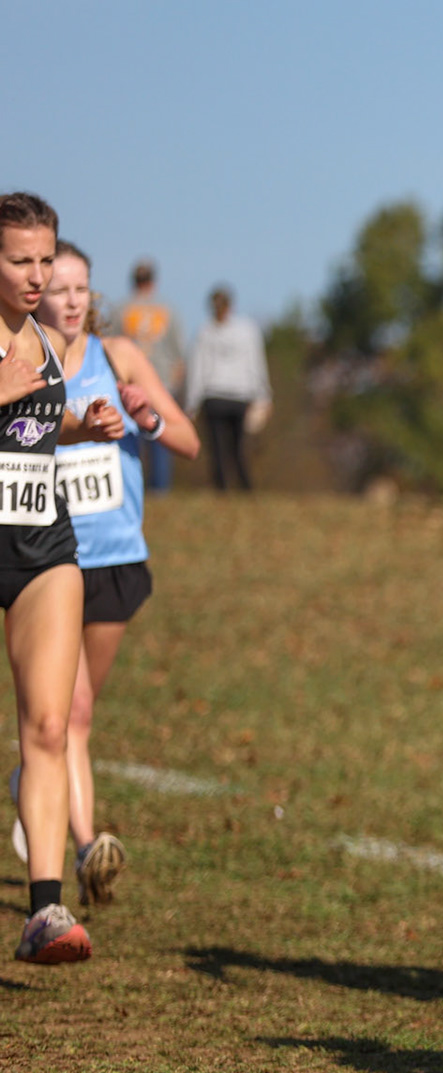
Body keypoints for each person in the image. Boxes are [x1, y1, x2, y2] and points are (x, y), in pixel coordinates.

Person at [27, 241, 200, 903]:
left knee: (78, 716)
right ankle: (85, 849)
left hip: (117, 558)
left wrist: (144, 416)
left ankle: (34, 784)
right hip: (49, 556)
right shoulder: (21, 363)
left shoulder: (119, 356)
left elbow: (187, 440)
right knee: (66, 714)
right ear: (34, 292)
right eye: (57, 288)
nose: (70, 300)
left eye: (80, 289)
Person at [0, 192, 128, 964]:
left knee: (49, 725)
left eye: (46, 260)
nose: (37, 275)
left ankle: (44, 910)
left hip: (44, 541)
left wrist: (89, 422)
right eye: (20, 260)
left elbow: (35, 424)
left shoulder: (44, 339)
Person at [184, 285, 270, 492]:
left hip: (217, 397)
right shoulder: (246, 330)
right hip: (237, 396)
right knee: (237, 445)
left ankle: (224, 487)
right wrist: (263, 393)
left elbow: (198, 369)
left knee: (219, 447)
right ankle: (242, 487)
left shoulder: (205, 332)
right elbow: (256, 363)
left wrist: (191, 403)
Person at [112, 259, 184, 493]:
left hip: (129, 383)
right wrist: (176, 383)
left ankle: (133, 487)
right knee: (161, 435)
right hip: (161, 382)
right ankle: (160, 489)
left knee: (130, 438)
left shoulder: (120, 309)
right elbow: (178, 352)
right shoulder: (169, 309)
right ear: (153, 280)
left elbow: (109, 347)